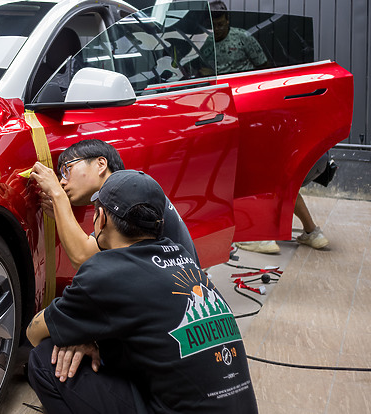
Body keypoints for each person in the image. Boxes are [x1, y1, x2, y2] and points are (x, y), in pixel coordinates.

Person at [25, 170, 258, 413]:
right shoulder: (185, 259)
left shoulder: (107, 272)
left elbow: (35, 332)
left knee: (44, 359)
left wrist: (77, 336)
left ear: (101, 218)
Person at [30, 138, 198, 269]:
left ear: (101, 164)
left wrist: (57, 195)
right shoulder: (129, 191)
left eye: (66, 170)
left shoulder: (131, 191)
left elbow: (83, 258)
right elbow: (93, 251)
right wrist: (60, 210)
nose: (62, 182)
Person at [237, 154, 331, 253]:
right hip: (318, 160)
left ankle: (259, 236)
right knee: (285, 186)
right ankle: (312, 232)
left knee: (247, 170)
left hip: (293, 159)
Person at [200, 0, 269, 75]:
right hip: (216, 85)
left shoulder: (243, 37)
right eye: (213, 25)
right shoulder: (204, 42)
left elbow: (264, 68)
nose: (216, 29)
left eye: (220, 24)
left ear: (227, 20)